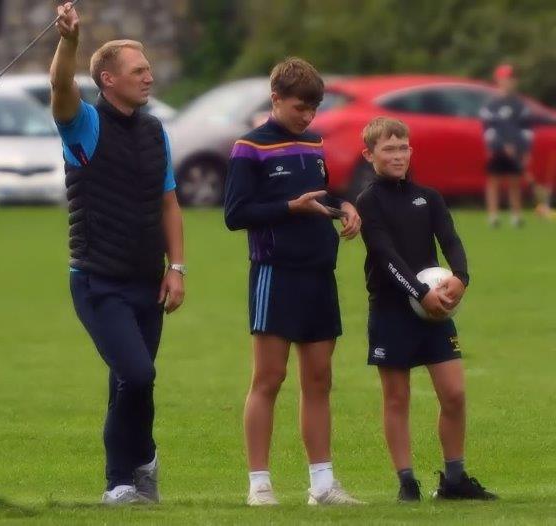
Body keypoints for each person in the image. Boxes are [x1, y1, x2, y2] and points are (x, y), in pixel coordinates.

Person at [50, 2, 186, 505]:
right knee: (137, 373)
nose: (149, 77)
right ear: (108, 80)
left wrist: (177, 268)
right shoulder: (82, 125)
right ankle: (126, 476)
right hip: (97, 280)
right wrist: (68, 42)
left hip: (146, 280)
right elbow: (60, 89)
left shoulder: (155, 133)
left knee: (132, 384)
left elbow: (170, 203)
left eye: (149, 69)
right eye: (139, 71)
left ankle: (135, 474)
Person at [223, 57, 363, 506]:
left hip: (319, 273)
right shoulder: (249, 147)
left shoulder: (314, 142)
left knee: (319, 379)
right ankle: (259, 484)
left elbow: (319, 195)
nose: (308, 116)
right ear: (276, 98)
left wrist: (345, 207)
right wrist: (289, 208)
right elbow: (235, 214)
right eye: (301, 107)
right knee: (269, 378)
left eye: (314, 108)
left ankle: (322, 485)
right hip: (275, 274)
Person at [355, 116, 498, 502]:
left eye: (403, 147)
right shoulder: (369, 201)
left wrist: (461, 278)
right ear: (370, 155)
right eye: (388, 149)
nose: (398, 155)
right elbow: (384, 254)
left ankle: (454, 480)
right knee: (397, 397)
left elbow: (450, 240)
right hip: (391, 310)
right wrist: (419, 291)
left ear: (411, 150)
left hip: (434, 310)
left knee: (453, 393)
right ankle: (407, 481)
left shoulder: (429, 197)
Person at [480, 64, 535, 227]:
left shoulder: (520, 105)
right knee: (493, 181)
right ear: (498, 80)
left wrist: (523, 149)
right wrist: (499, 145)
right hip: (497, 149)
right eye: (505, 78)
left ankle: (516, 215)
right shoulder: (491, 105)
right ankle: (493, 215)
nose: (509, 82)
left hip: (516, 150)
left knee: (514, 182)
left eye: (512, 79)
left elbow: (526, 129)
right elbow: (488, 128)